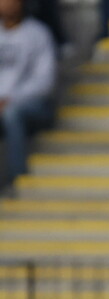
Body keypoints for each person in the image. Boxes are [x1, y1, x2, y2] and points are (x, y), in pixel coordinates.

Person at [0, 0, 57, 189]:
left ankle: (17, 181)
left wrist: (11, 99)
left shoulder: (38, 33)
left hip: (32, 105)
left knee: (12, 114)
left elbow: (44, 81)